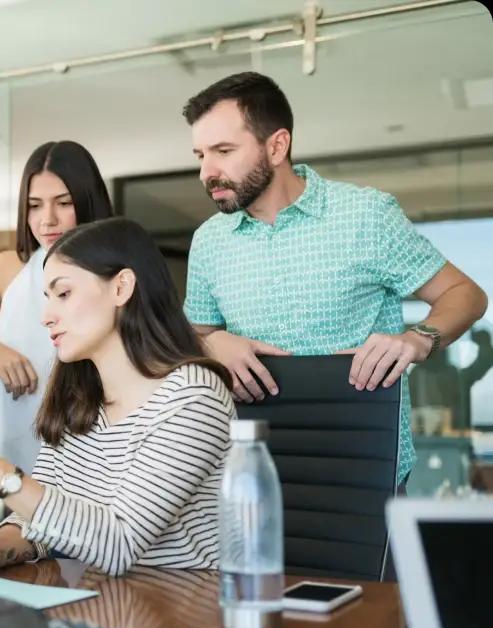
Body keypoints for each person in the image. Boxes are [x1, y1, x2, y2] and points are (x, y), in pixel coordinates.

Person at [181, 72, 487, 484]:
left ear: (276, 146)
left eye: (223, 150)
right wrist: (211, 341)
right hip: (250, 462)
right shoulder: (208, 241)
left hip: (364, 458)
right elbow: (193, 337)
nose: (207, 172)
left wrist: (417, 339)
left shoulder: (365, 215)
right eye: (201, 155)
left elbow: (464, 293)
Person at [0, 218, 235, 576]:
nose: (46, 317)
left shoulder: (194, 397)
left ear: (121, 287)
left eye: (63, 294)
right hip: (105, 604)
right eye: (47, 299)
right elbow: (44, 520)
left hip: (188, 609)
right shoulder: (81, 399)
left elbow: (119, 544)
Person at [0, 140, 114, 474]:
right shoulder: (8, 268)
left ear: (87, 202)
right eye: (34, 205)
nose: (47, 219)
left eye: (63, 203)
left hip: (99, 452)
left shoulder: (116, 272)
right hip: (21, 452)